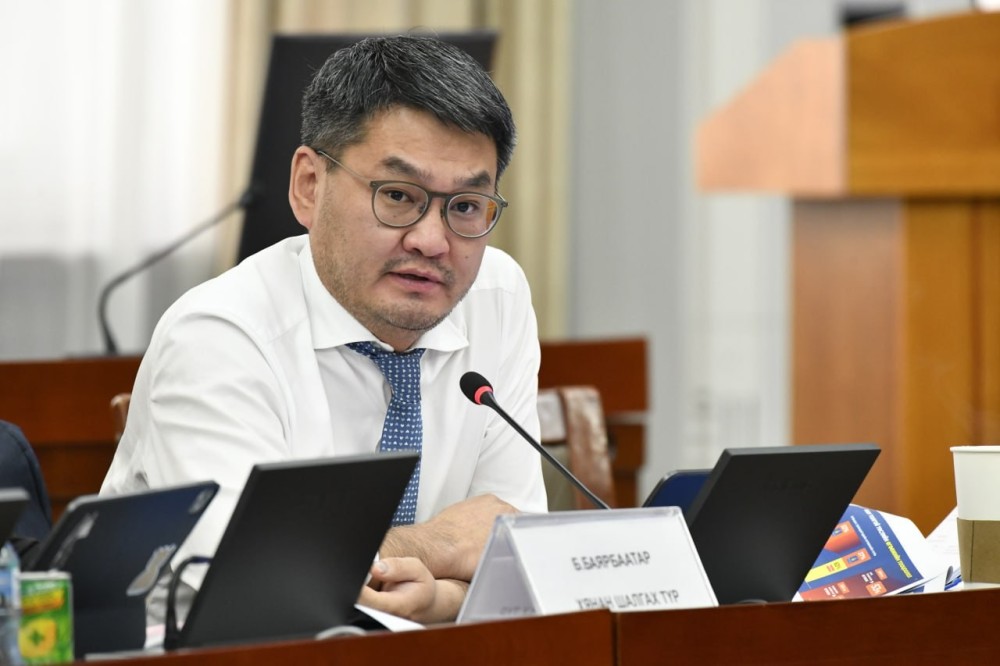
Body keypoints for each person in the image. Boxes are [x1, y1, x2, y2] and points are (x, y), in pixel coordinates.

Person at [100, 34, 547, 625]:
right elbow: (252, 586)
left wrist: (438, 600)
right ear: (309, 185)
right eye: (398, 195)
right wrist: (436, 545)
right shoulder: (220, 334)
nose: (432, 241)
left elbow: (516, 560)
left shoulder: (497, 295)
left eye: (465, 206)